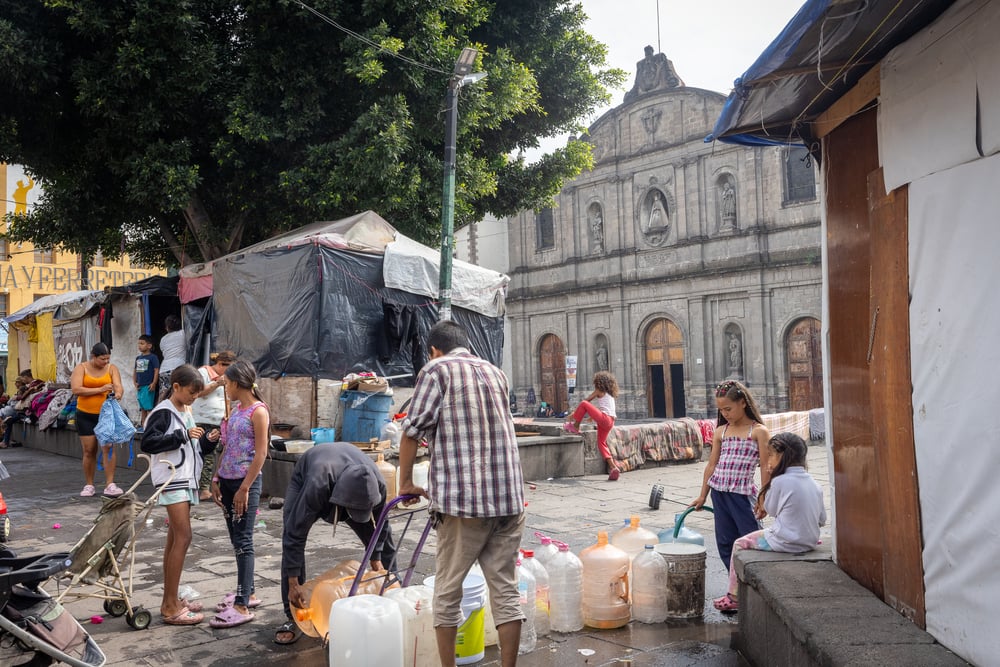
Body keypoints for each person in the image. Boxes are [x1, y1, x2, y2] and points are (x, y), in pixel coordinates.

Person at [397, 320, 525, 667]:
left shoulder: (436, 370)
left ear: (434, 349)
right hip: (509, 498)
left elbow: (411, 431)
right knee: (505, 589)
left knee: (449, 591)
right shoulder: (495, 372)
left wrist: (405, 483)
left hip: (464, 503)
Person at [275, 442, 397, 645]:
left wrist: (376, 560)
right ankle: (294, 615)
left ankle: (393, 594)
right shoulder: (317, 485)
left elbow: (381, 527)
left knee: (385, 540)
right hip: (310, 471)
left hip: (346, 477)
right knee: (292, 528)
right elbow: (294, 536)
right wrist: (293, 583)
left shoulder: (378, 485)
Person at [140, 364, 219, 626]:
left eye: (197, 394)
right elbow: (148, 442)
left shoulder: (185, 410)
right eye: (190, 393)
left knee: (176, 539)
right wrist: (183, 435)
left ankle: (171, 599)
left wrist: (208, 440)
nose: (194, 398)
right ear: (176, 387)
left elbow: (194, 448)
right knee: (184, 537)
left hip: (184, 478)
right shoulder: (164, 412)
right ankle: (169, 606)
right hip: (172, 479)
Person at [714, 433, 826, 613]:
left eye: (771, 455)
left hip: (784, 542)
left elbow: (771, 510)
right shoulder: (814, 483)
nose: (767, 461)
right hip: (809, 541)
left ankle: (733, 596)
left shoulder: (780, 481)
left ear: (783, 456)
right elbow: (822, 520)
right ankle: (801, 537)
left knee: (739, 543)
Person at [207, 359, 269, 629]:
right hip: (228, 481)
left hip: (246, 483)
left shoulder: (258, 411)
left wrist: (245, 488)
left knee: (244, 541)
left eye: (226, 384)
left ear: (236, 383)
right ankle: (249, 591)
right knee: (236, 539)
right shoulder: (235, 410)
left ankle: (242, 604)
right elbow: (228, 447)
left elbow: (261, 454)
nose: (225, 389)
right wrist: (216, 477)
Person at [689, 379, 771, 573]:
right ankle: (734, 587)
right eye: (721, 410)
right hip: (719, 494)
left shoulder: (758, 431)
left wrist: (763, 497)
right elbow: (711, 465)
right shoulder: (721, 431)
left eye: (728, 409)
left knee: (751, 538)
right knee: (725, 543)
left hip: (742, 496)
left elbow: (766, 467)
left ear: (743, 402)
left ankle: (757, 580)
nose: (725, 414)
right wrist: (703, 495)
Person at [70, 343, 125, 497]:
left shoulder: (112, 368)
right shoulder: (81, 368)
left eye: (108, 359)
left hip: (106, 415)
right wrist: (99, 390)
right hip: (85, 414)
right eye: (102, 359)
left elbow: (119, 386)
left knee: (108, 447)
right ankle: (89, 484)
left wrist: (118, 394)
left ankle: (110, 484)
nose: (106, 362)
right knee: (89, 450)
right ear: (93, 357)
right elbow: (76, 389)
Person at [192, 351, 235, 501]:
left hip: (219, 421)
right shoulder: (203, 372)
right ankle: (203, 489)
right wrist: (217, 383)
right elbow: (197, 392)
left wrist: (228, 414)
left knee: (216, 454)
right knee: (204, 455)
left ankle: (209, 487)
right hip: (202, 419)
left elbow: (227, 398)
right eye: (227, 367)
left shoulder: (227, 377)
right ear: (220, 364)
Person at [563, 371, 621, 481]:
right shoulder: (610, 394)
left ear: (598, 382)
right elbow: (606, 408)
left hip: (605, 419)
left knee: (584, 404)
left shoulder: (599, 390)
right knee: (601, 444)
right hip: (610, 421)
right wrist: (593, 416)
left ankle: (575, 426)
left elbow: (586, 401)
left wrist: (574, 414)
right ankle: (613, 467)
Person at [158, 314, 186, 402]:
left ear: (167, 327)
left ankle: (161, 412)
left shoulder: (163, 339)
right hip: (178, 368)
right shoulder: (183, 333)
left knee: (164, 394)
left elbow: (163, 352)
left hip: (164, 369)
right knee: (179, 393)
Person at [134, 334, 160, 426]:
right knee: (142, 408)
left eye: (142, 343)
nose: (139, 346)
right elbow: (135, 371)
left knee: (149, 408)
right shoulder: (138, 358)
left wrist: (154, 383)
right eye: (139, 344)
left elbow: (156, 370)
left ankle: (150, 426)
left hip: (148, 386)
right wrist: (135, 382)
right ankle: (143, 426)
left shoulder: (153, 357)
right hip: (140, 387)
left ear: (149, 346)